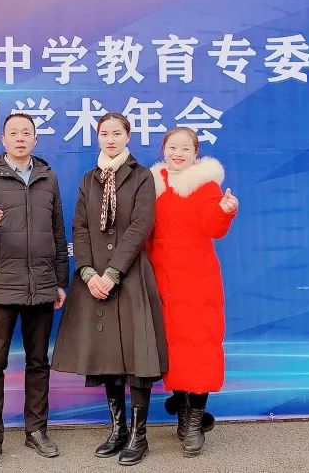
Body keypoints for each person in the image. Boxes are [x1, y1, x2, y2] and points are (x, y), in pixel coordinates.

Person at [51, 112, 168, 467]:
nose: (110, 139)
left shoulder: (142, 175)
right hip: (95, 280)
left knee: (137, 356)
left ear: (128, 136)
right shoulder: (90, 180)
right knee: (108, 358)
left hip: (129, 276)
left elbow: (141, 225)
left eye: (117, 133)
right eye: (104, 133)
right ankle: (118, 430)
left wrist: (113, 272)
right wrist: (88, 274)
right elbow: (81, 227)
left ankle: (139, 435)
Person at [0, 113, 69, 468]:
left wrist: (59, 281)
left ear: (35, 139)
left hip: (41, 285)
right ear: (3, 139)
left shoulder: (48, 177)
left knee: (39, 362)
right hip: (0, 286)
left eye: (27, 133)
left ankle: (36, 430)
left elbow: (58, 233)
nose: (20, 138)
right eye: (14, 133)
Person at [145, 127, 238, 457]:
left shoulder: (205, 183)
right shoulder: (153, 184)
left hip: (197, 279)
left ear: (196, 153)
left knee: (199, 347)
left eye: (185, 148)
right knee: (171, 350)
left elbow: (212, 226)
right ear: (163, 150)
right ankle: (183, 414)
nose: (178, 153)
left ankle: (195, 421)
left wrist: (225, 209)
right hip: (161, 280)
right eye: (172, 147)